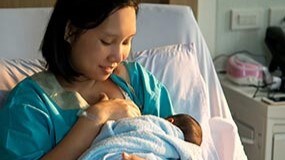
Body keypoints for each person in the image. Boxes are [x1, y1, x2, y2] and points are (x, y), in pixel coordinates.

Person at [0, 0, 175, 159]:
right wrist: (94, 119)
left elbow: (179, 144)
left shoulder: (138, 82)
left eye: (126, 42)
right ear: (70, 31)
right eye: (107, 42)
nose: (118, 56)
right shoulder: (29, 104)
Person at [78, 114, 202, 160]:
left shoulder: (150, 121)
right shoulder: (174, 150)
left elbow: (117, 127)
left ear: (170, 120)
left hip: (109, 151)